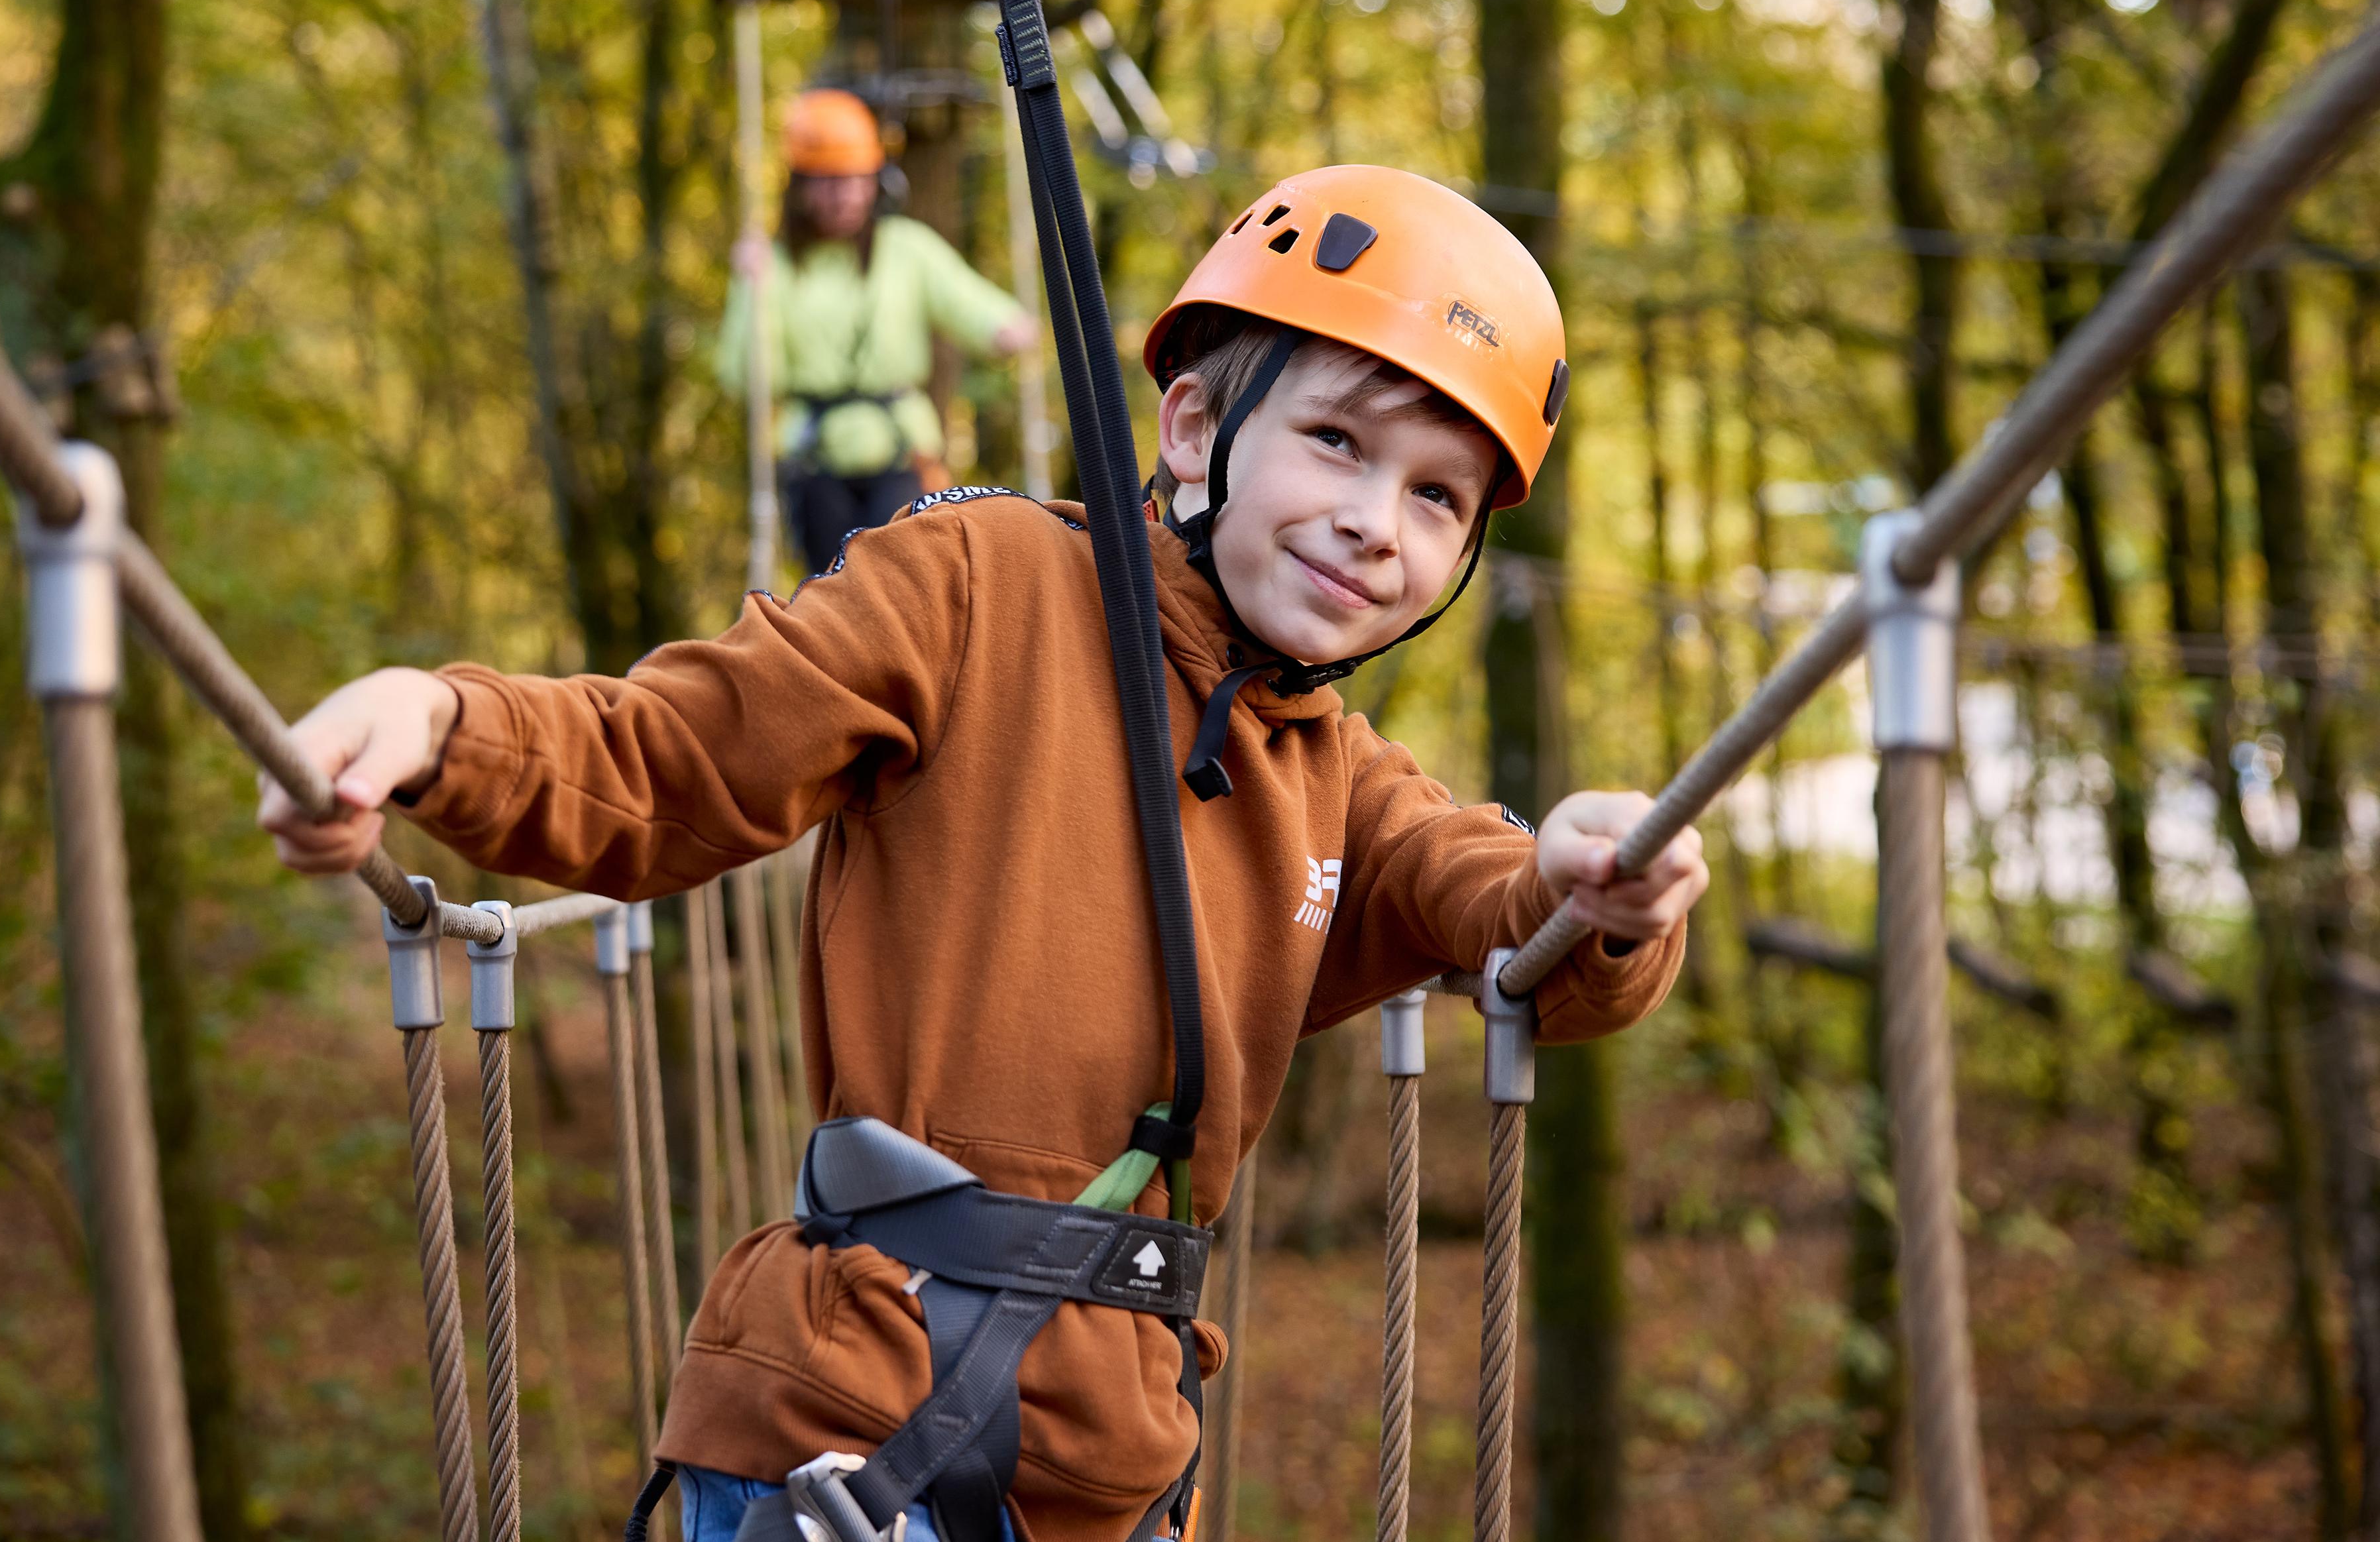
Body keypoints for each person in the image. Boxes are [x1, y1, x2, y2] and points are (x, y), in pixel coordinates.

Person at [259, 166, 1709, 1542]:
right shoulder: (979, 587)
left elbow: (1509, 917)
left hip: (1117, 1461)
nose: (1374, 523)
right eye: (1337, 441)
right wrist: (440, 726)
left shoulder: (1339, 779)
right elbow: (669, 757)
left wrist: (1598, 882)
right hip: (854, 1406)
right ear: (1193, 428)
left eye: (1438, 496)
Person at [719, 87, 1038, 575]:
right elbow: (747, 377)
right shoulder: (775, 265)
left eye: (855, 180)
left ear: (877, 183)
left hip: (901, 450)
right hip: (816, 460)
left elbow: (968, 301)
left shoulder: (906, 249)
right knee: (835, 591)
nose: (844, 195)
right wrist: (751, 293)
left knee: (907, 578)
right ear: (800, 188)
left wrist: (1006, 327)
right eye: (828, 182)